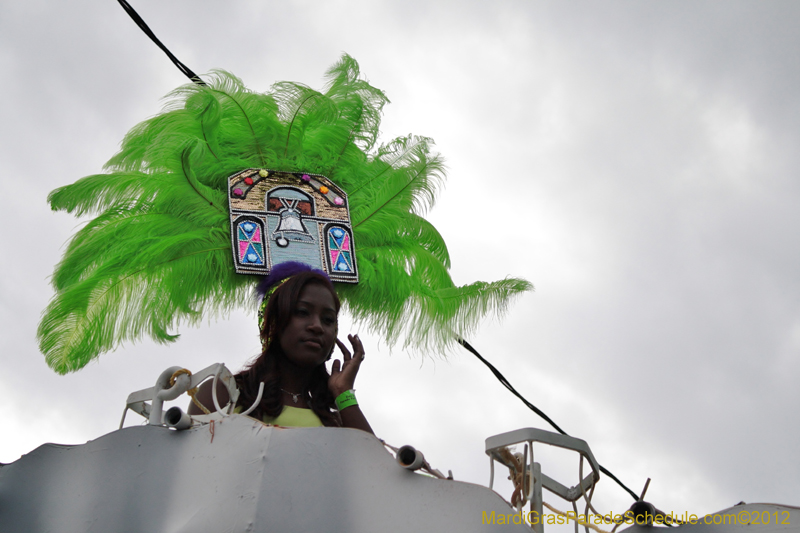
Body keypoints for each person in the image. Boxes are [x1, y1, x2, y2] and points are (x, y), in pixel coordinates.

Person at [188, 268, 373, 434]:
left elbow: (375, 468)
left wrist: (343, 393)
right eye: (302, 312)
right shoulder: (221, 394)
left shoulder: (336, 421)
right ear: (274, 323)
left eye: (328, 319)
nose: (317, 326)